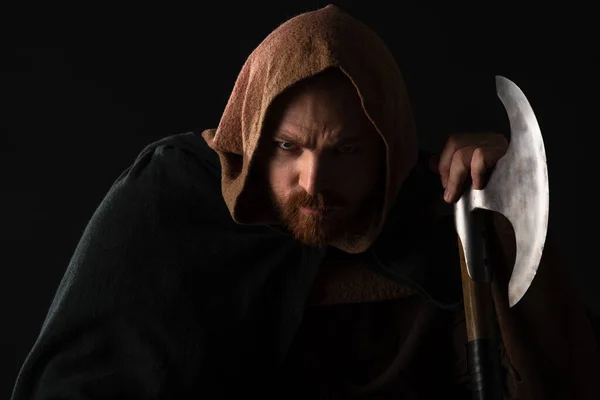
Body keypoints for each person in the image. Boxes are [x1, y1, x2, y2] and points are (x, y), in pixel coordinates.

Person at [11, 5, 599, 399]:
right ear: (251, 135)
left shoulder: (434, 215)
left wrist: (496, 200)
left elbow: (553, 379)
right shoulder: (172, 203)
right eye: (287, 147)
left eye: (345, 151)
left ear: (388, 150)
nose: (312, 180)